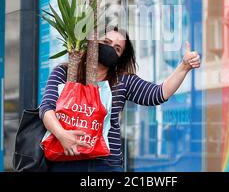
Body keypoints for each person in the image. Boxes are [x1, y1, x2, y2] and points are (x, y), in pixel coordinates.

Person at [39, 26, 201, 172]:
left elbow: (157, 94)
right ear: (93, 42)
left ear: (120, 57)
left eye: (117, 48)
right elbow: (47, 107)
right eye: (106, 42)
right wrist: (62, 135)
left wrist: (184, 67)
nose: (110, 48)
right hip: (66, 158)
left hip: (106, 164)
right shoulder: (66, 72)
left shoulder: (122, 80)